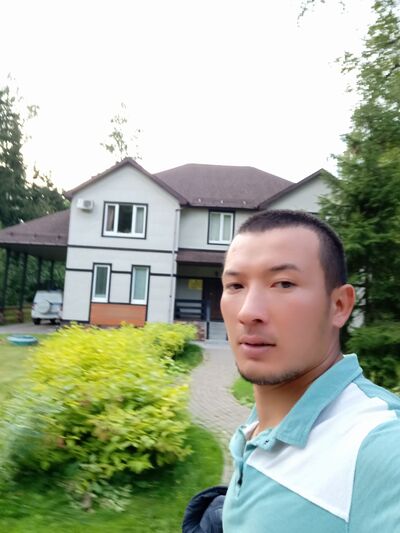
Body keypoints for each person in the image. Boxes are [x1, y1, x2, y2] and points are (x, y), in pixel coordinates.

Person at [218, 209, 400, 532]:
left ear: (339, 305)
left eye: (283, 284)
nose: (247, 312)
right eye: (235, 285)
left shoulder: (376, 445)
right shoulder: (259, 424)